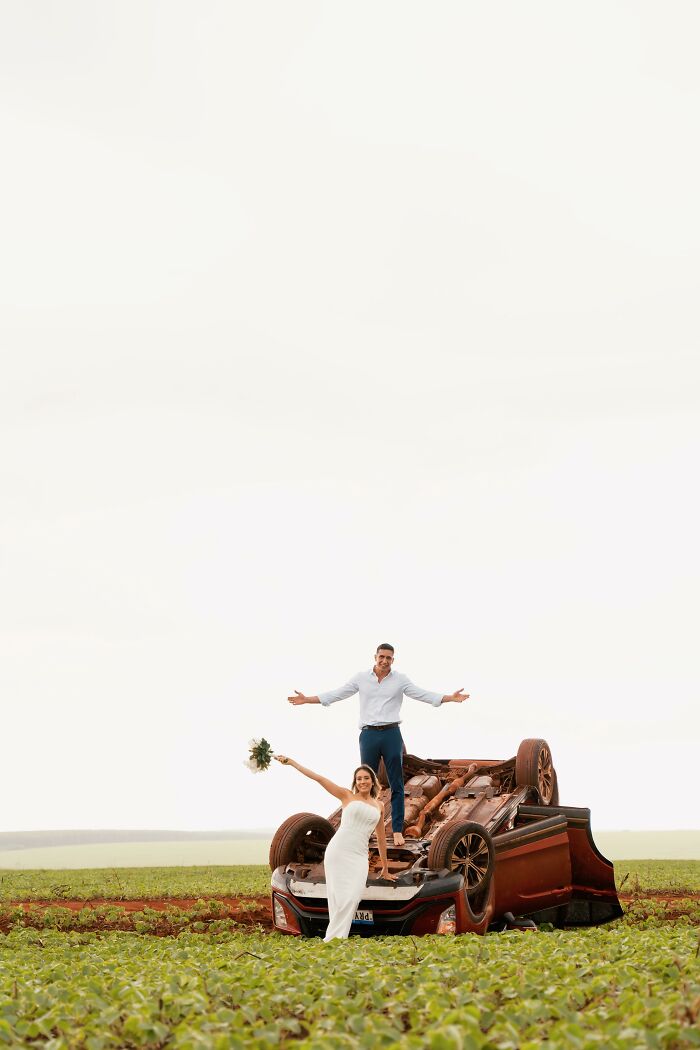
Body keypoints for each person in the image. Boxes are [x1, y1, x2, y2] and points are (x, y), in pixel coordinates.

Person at [288, 643, 469, 846]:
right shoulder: (361, 678)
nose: (384, 661)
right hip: (368, 735)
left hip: (391, 733)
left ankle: (398, 829)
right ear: (375, 657)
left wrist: (449, 698)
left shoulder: (400, 680)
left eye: (388, 658)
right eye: (381, 657)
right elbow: (338, 693)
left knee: (396, 783)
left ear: (393, 660)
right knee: (365, 783)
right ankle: (362, 830)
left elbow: (422, 694)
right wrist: (308, 700)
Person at [274, 756, 397, 941]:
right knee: (338, 898)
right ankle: (336, 940)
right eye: (359, 779)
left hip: (359, 855)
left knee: (353, 898)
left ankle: (332, 939)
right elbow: (319, 778)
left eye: (366, 778)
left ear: (372, 781)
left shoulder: (379, 805)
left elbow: (380, 838)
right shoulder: (347, 796)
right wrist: (293, 763)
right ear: (355, 782)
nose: (362, 781)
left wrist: (385, 868)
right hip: (339, 850)